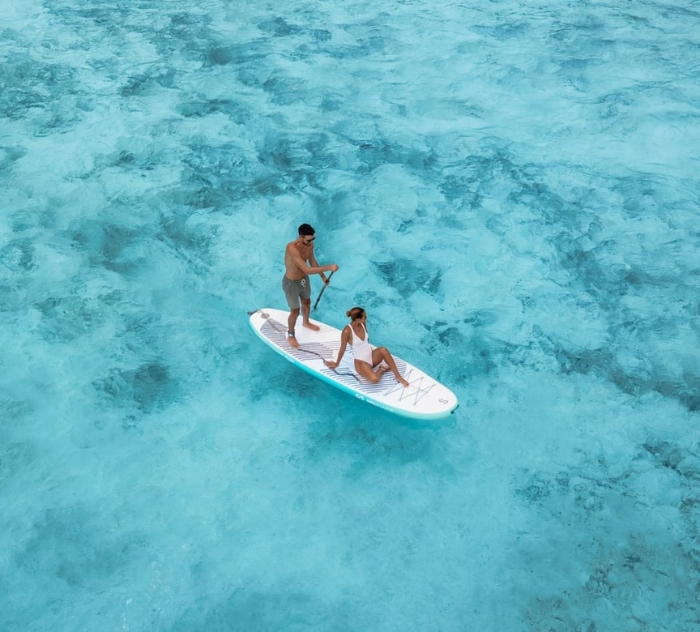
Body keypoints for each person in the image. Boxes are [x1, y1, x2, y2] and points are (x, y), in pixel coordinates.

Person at [283, 223, 338, 349]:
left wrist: (322, 276)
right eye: (308, 240)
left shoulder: (310, 244)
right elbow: (306, 269)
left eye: (313, 239)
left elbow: (312, 261)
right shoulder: (292, 248)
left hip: (303, 280)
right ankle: (291, 335)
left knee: (307, 302)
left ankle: (306, 322)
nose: (311, 242)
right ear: (300, 236)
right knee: (295, 311)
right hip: (291, 283)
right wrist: (329, 267)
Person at [325, 307, 410, 387]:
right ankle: (382, 369)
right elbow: (342, 348)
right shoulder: (347, 331)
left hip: (371, 356)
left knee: (383, 350)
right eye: (365, 317)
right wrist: (336, 363)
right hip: (361, 362)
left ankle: (398, 376)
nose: (366, 318)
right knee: (374, 379)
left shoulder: (362, 323)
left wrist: (372, 353)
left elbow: (366, 340)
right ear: (358, 319)